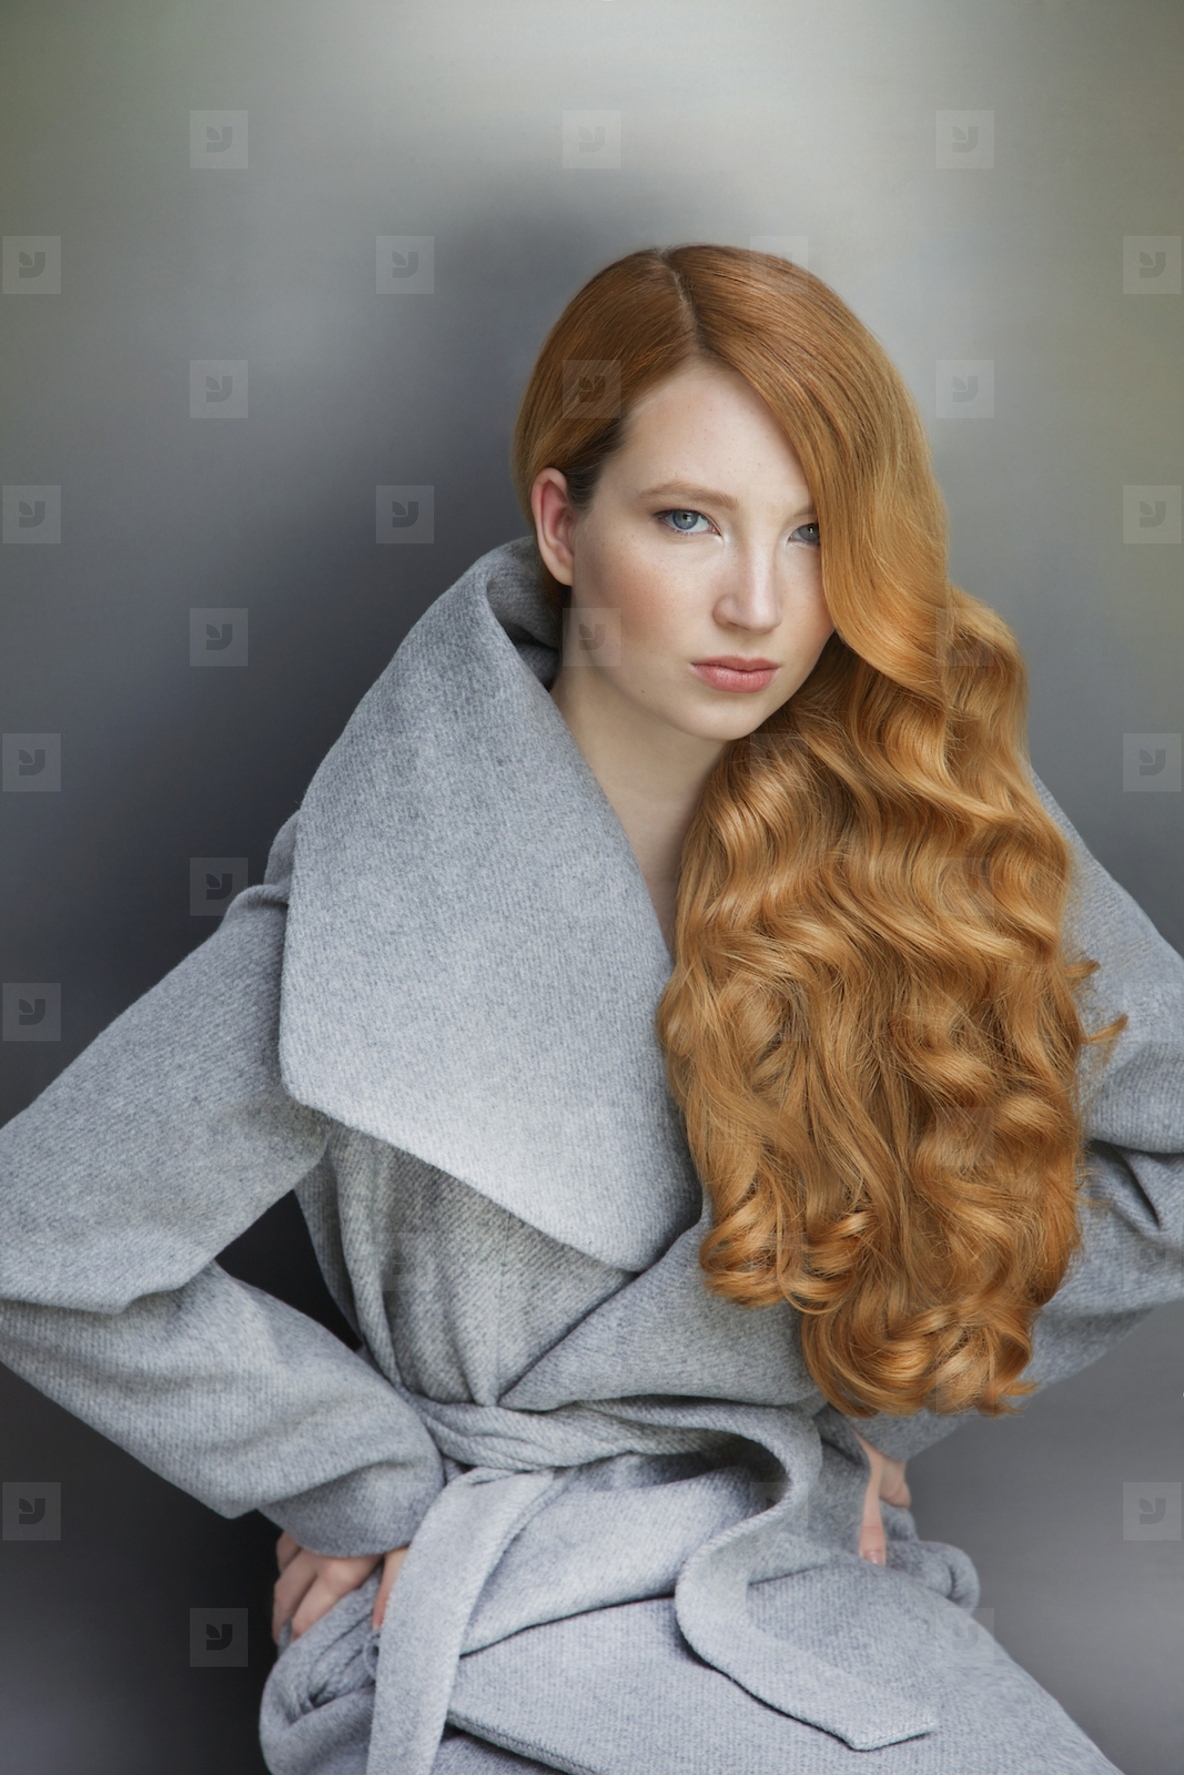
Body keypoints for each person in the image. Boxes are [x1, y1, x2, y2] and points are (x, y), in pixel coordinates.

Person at [1, 244, 1180, 1774]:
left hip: (801, 1572)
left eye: (814, 533)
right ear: (563, 525)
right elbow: (46, 1237)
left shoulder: (920, 819)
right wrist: (357, 1474)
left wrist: (882, 1391)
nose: (759, 600)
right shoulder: (396, 882)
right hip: (486, 1600)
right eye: (688, 519)